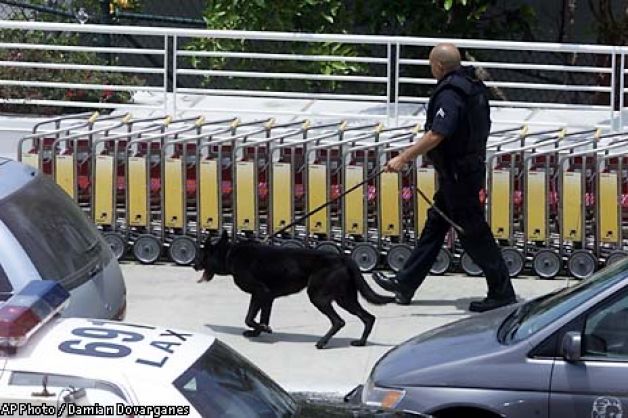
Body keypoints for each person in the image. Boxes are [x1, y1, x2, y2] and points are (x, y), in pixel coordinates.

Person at [372, 43, 517, 313]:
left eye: (431, 65)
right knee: (436, 225)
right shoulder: (472, 85)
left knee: (474, 233)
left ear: (438, 65)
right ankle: (405, 284)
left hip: (459, 174)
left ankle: (502, 291)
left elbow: (438, 133)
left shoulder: (451, 93)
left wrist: (403, 158)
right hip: (464, 170)